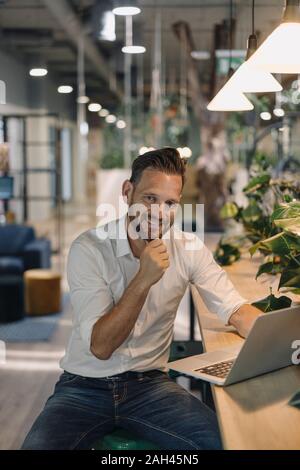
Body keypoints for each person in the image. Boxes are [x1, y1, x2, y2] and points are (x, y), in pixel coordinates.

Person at [22, 147, 260, 450]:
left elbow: (235, 309)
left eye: (170, 203)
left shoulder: (188, 248)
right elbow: (101, 346)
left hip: (150, 387)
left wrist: (279, 339)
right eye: (150, 198)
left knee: (220, 443)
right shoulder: (90, 248)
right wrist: (144, 278)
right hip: (83, 387)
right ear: (127, 191)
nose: (159, 213)